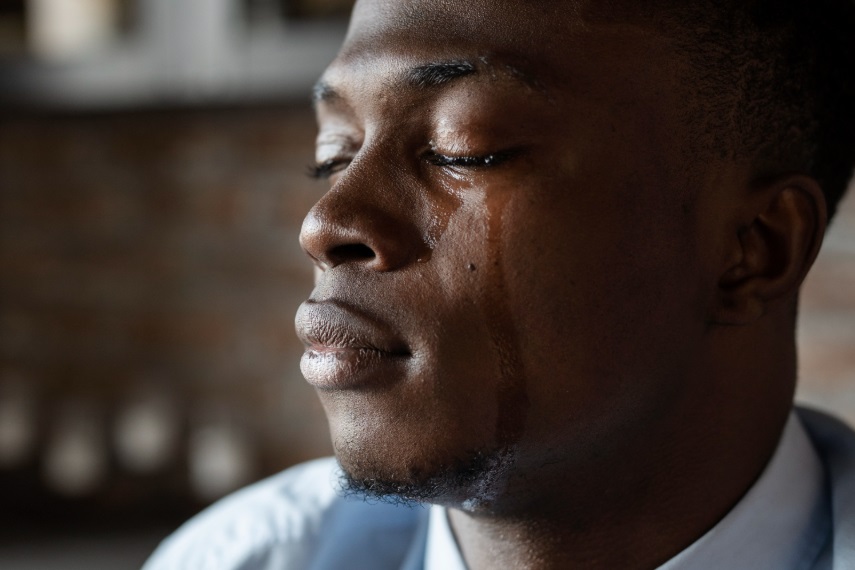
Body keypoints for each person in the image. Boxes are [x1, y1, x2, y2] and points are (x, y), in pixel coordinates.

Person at [144, 0, 855, 568]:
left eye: (466, 151)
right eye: (335, 153)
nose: (325, 221)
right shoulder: (239, 558)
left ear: (753, 248)